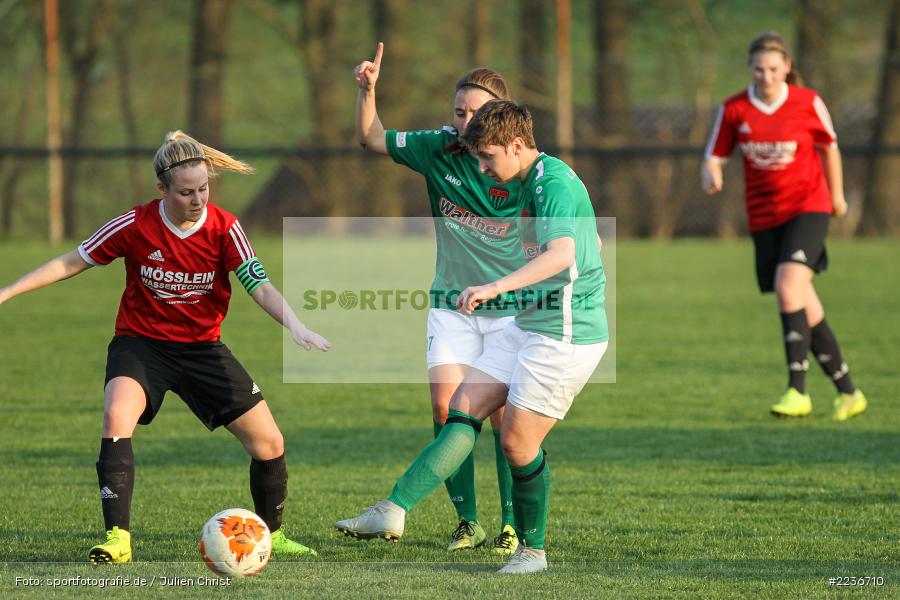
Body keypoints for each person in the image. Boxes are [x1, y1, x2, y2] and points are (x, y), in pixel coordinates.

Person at [0, 131, 331, 563]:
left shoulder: (225, 227)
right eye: (187, 192)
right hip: (141, 345)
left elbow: (260, 287)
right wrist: (7, 291)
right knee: (117, 414)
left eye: (204, 189)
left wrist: (296, 326)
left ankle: (272, 533)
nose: (198, 200)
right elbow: (73, 260)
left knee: (269, 442)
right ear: (163, 189)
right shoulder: (135, 224)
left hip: (202, 349)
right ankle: (118, 538)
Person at [335, 100, 609, 574]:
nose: (482, 168)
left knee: (517, 445)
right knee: (463, 406)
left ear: (517, 146)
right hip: (531, 321)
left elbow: (563, 252)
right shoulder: (527, 179)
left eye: (487, 158)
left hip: (564, 334)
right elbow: (590, 244)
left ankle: (533, 552)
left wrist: (497, 286)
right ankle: (392, 508)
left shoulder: (553, 183)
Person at [353, 42, 525, 553]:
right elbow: (371, 137)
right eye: (459, 111)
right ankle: (467, 522)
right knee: (446, 406)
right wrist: (368, 91)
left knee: (500, 419)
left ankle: (512, 525)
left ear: (498, 116)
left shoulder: (516, 164)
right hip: (451, 304)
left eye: (475, 112)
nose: (465, 121)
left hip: (507, 310)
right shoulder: (438, 147)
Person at [701, 32, 866, 420]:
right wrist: (711, 175)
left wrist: (838, 196)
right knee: (802, 299)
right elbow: (714, 156)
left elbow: (830, 147)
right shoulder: (735, 109)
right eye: (759, 69)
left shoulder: (808, 102)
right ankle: (849, 391)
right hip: (764, 216)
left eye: (774, 69)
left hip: (809, 205)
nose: (767, 76)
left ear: (787, 67)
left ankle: (797, 390)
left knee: (788, 286)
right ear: (750, 68)